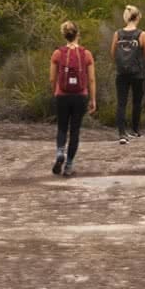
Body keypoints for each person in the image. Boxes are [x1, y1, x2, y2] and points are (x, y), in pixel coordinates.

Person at [49, 20, 96, 178]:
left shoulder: (57, 53)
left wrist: (55, 92)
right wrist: (93, 99)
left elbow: (52, 78)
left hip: (62, 95)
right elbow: (91, 80)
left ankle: (60, 152)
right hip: (80, 96)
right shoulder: (86, 54)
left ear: (64, 35)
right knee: (75, 131)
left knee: (62, 127)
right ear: (78, 34)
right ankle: (68, 166)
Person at [110, 5, 145, 145]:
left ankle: (122, 133)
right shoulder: (142, 34)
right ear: (138, 17)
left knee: (121, 103)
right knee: (136, 102)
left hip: (121, 73)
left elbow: (113, 53)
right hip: (137, 73)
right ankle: (135, 130)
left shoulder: (118, 34)